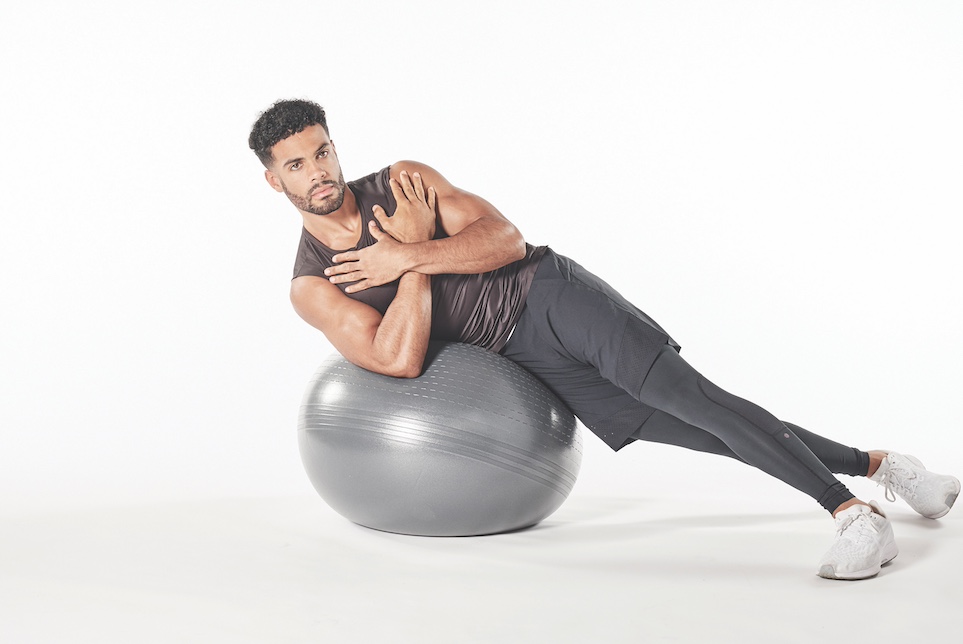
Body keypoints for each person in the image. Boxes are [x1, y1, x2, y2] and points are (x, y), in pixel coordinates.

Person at [249, 99, 959, 580]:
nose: (318, 173)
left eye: (322, 152)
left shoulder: (404, 183)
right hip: (521, 364)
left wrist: (407, 252)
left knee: (699, 401)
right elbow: (397, 360)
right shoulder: (312, 285)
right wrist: (410, 259)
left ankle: (851, 513)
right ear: (272, 180)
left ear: (335, 147)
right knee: (693, 428)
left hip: (552, 297)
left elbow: (503, 239)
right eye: (297, 165)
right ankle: (882, 463)